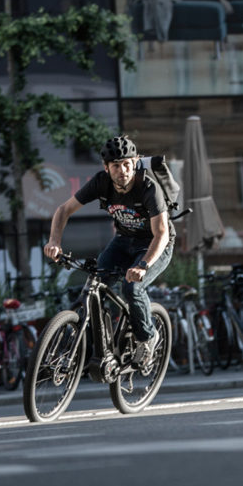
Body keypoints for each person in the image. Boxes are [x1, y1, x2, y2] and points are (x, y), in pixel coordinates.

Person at [43, 135, 174, 373]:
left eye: (127, 164)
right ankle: (96, 352)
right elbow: (64, 210)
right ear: (106, 168)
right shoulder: (100, 183)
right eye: (116, 165)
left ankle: (148, 338)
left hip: (154, 244)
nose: (122, 170)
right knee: (91, 289)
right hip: (123, 241)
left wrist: (143, 265)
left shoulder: (148, 188)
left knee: (132, 287)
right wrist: (54, 241)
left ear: (134, 162)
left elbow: (162, 233)